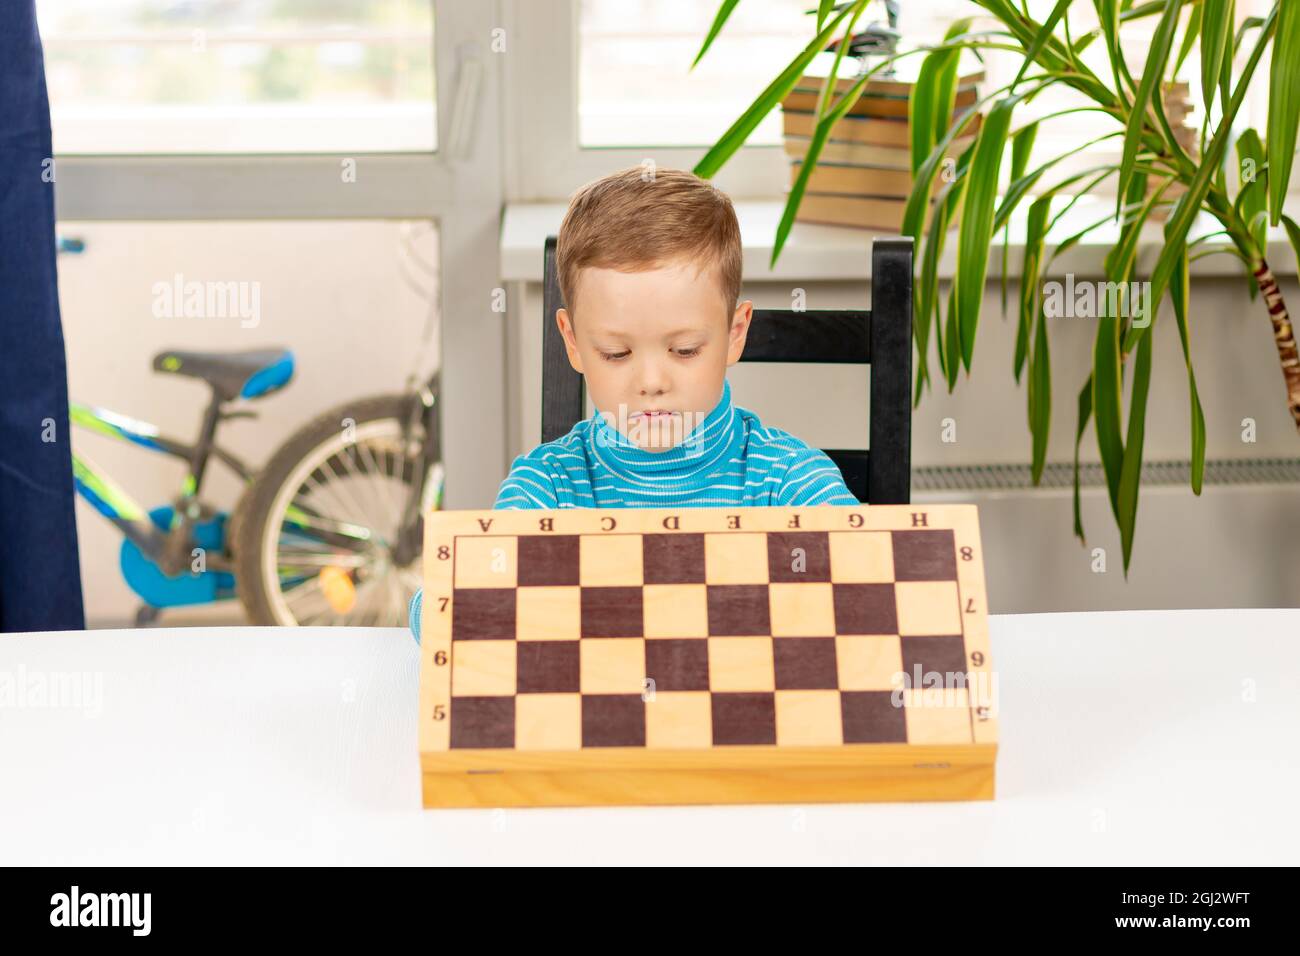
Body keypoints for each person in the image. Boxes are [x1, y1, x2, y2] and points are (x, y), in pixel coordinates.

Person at [409, 165, 858, 641]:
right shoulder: (550, 486)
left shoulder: (786, 478)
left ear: (734, 334)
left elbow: (876, 586)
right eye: (616, 353)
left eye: (684, 350)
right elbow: (434, 615)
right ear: (574, 343)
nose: (650, 382)